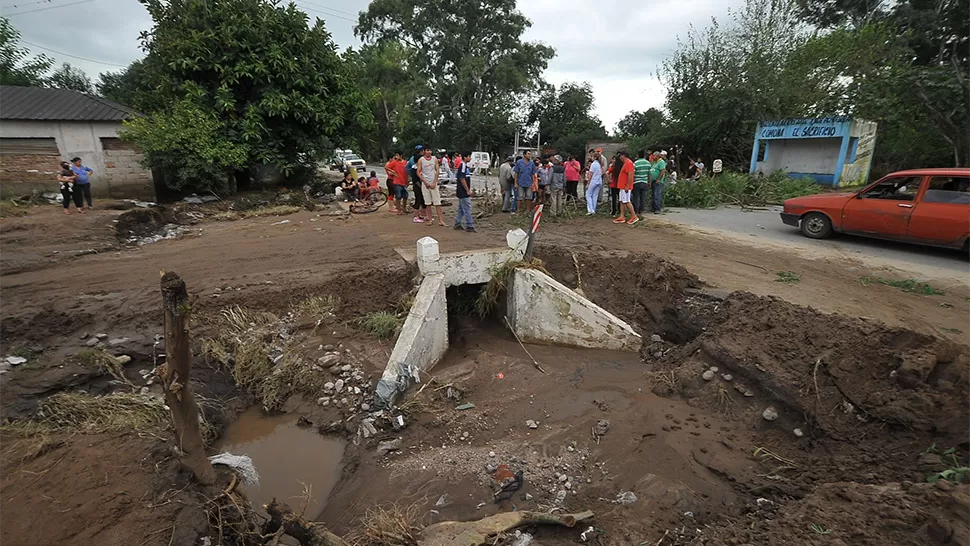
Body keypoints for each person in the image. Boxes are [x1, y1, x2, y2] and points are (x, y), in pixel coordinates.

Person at [417, 146, 444, 226]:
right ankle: (430, 219)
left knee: (437, 202)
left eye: (430, 150)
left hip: (433, 183)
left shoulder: (434, 159)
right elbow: (418, 172)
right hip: (425, 184)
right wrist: (425, 182)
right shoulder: (421, 160)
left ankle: (441, 220)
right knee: (427, 203)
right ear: (424, 151)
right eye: (427, 150)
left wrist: (434, 182)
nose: (429, 152)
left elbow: (437, 170)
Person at [613, 150, 638, 225]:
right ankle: (622, 216)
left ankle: (634, 216)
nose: (620, 157)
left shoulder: (628, 163)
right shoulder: (626, 163)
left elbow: (630, 174)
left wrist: (627, 185)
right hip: (622, 186)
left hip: (625, 186)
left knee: (627, 201)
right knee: (622, 201)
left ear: (623, 156)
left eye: (620, 156)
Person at [453, 151, 476, 232]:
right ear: (465, 157)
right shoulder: (463, 165)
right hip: (463, 191)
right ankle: (469, 225)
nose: (470, 158)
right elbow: (462, 178)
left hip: (461, 191)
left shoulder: (464, 166)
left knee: (461, 208)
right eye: (469, 156)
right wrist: (467, 190)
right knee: (467, 208)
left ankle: (458, 223)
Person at [513, 150, 538, 215]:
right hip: (520, 182)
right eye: (528, 154)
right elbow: (516, 173)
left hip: (529, 183)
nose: (529, 155)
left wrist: (533, 183)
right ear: (524, 155)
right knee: (519, 197)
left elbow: (533, 174)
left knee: (529, 197)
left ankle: (528, 211)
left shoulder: (532, 163)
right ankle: (518, 211)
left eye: (530, 154)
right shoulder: (519, 162)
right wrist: (515, 183)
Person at [407, 145, 426, 223]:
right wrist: (421, 186)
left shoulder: (419, 167)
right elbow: (415, 180)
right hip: (417, 186)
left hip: (421, 186)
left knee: (423, 201)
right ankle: (416, 216)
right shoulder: (414, 168)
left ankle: (424, 215)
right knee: (418, 200)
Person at [631, 150, 651, 215]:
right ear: (644, 155)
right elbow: (649, 174)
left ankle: (636, 211)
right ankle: (641, 210)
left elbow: (633, 174)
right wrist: (649, 182)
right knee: (643, 197)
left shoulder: (635, 163)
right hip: (644, 182)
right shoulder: (648, 163)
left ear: (638, 155)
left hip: (636, 182)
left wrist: (631, 181)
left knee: (636, 197)